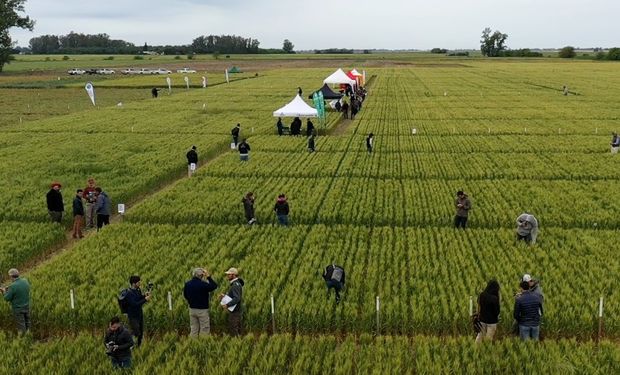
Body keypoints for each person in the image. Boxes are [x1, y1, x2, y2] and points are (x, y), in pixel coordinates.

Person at [183, 268, 218, 337]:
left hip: (192, 309)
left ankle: (192, 344)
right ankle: (202, 344)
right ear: (202, 275)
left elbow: (185, 295)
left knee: (194, 329)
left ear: (193, 275)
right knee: (204, 329)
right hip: (202, 310)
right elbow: (214, 286)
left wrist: (191, 301)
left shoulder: (187, 284)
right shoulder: (203, 284)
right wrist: (208, 276)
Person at [0, 268, 30, 334]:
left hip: (18, 309)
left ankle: (23, 339)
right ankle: (28, 335)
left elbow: (7, 298)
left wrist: (4, 291)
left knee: (21, 326)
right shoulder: (25, 281)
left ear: (11, 276)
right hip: (27, 306)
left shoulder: (13, 286)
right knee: (27, 322)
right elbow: (18, 287)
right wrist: (9, 287)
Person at [124, 275, 151, 347]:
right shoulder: (129, 293)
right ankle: (129, 343)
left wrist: (144, 295)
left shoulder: (137, 290)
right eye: (138, 282)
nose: (140, 283)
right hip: (133, 316)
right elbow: (134, 304)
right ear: (133, 283)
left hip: (139, 314)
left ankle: (138, 347)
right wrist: (145, 299)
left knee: (141, 333)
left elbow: (138, 298)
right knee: (136, 332)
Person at [219, 268, 244, 336]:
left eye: (229, 274)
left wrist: (227, 305)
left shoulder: (235, 285)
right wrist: (225, 296)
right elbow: (235, 296)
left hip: (235, 311)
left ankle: (236, 343)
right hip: (236, 310)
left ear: (234, 275)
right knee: (236, 328)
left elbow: (237, 298)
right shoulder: (236, 284)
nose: (227, 276)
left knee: (233, 328)